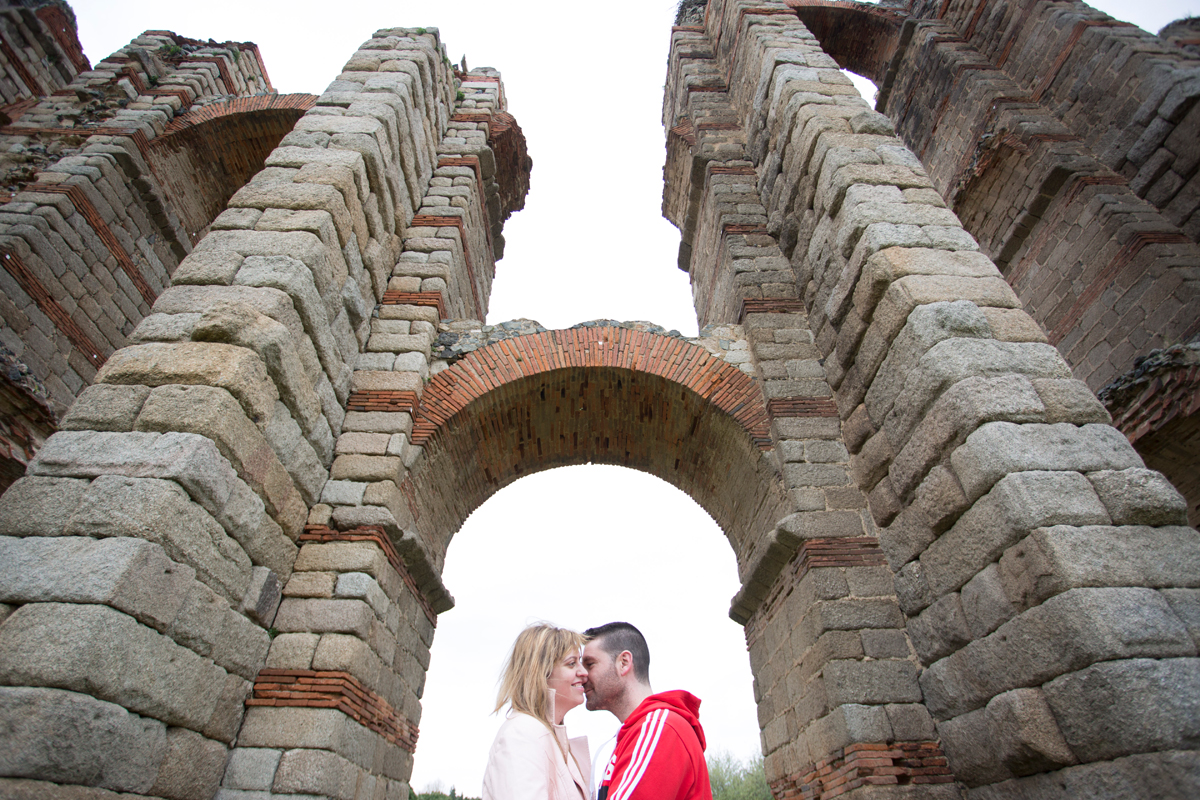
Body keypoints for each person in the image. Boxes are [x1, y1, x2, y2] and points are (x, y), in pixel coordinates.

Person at [581, 622, 712, 800]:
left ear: (624, 663)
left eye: (590, 664)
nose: (582, 675)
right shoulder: (637, 733)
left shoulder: (660, 727)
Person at [482, 623, 592, 800]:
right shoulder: (522, 734)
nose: (583, 672)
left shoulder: (544, 736)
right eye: (572, 664)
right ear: (542, 673)